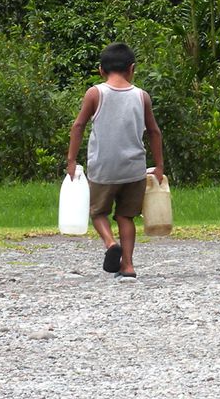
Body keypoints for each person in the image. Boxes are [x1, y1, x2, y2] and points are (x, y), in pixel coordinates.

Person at [66, 42, 164, 279]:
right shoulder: (142, 96)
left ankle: (110, 244)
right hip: (134, 169)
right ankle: (128, 266)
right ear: (132, 69)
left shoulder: (95, 93)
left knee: (98, 213)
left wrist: (71, 159)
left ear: (101, 70)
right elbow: (154, 132)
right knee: (125, 216)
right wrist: (159, 166)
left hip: (103, 168)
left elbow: (78, 126)